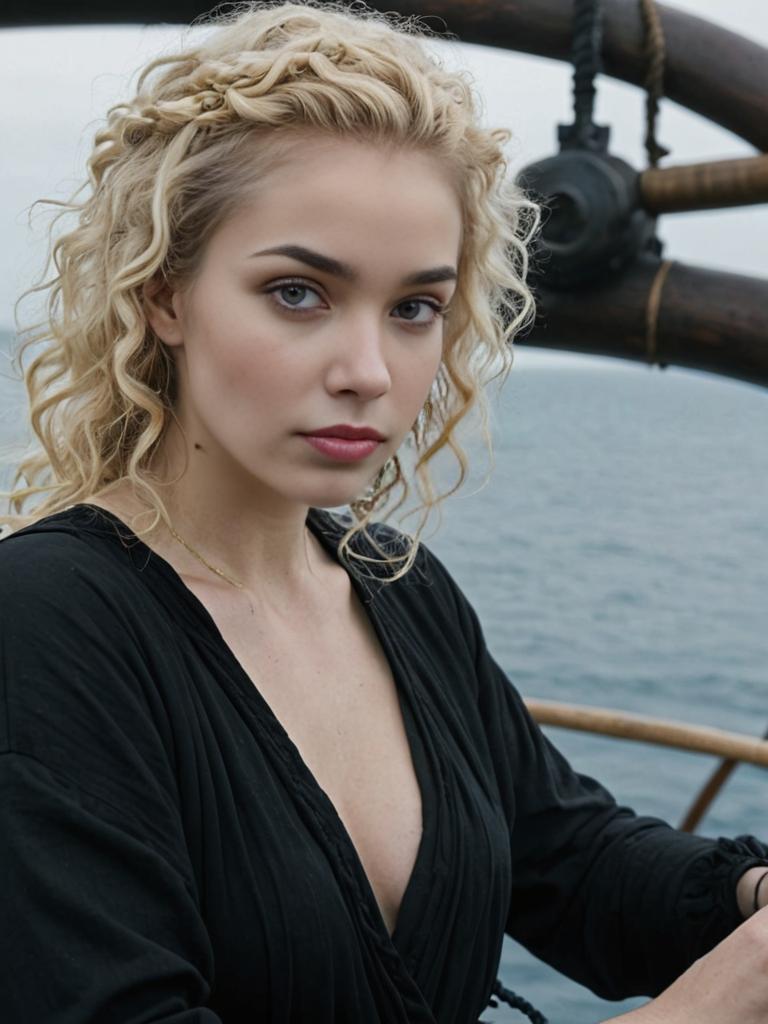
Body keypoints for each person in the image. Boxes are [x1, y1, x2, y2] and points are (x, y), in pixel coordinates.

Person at [0, 3, 766, 1022]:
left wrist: (753, 899)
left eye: (414, 309)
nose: (368, 373)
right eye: (298, 293)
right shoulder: (45, 621)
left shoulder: (394, 585)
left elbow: (569, 857)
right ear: (165, 293)